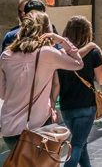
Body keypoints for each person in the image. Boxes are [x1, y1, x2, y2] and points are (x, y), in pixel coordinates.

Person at [0, 11, 83, 152]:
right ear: (46, 29)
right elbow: (78, 63)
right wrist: (62, 41)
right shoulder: (47, 53)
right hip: (37, 127)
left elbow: (2, 94)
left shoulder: (6, 55)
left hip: (9, 128)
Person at [55, 16, 102, 167]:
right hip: (86, 106)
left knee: (81, 143)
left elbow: (56, 83)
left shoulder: (59, 54)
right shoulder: (93, 53)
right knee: (77, 144)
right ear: (87, 32)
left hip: (66, 107)